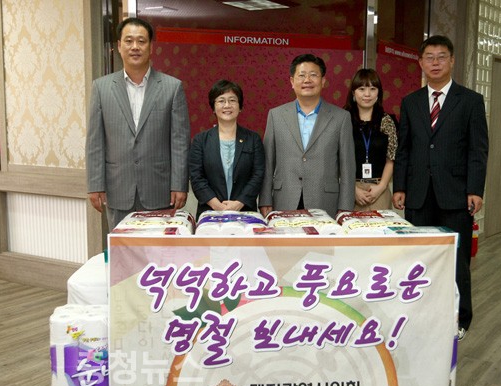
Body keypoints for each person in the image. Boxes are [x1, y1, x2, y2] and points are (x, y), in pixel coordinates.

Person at [392, 35, 489, 340]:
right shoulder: (411, 102)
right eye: (429, 57)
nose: (435, 63)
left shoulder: (470, 100)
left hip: (455, 195)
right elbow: (404, 149)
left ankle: (460, 318)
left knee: (457, 260)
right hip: (418, 194)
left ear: (452, 61)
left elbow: (478, 150)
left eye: (441, 56)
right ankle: (421, 316)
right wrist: (400, 186)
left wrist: (475, 190)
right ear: (420, 62)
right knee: (419, 258)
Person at [86, 17, 191, 230]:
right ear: (119, 46)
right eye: (129, 41)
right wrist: (95, 184)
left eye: (141, 41)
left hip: (159, 189)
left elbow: (180, 142)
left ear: (151, 47)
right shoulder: (101, 88)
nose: (135, 47)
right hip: (118, 188)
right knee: (121, 246)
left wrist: (179, 184)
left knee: (157, 247)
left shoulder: (172, 87)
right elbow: (95, 141)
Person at [259, 54, 355, 219]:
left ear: (323, 81)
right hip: (285, 198)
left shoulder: (341, 117)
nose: (307, 80)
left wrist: (345, 206)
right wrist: (265, 199)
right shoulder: (276, 115)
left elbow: (347, 167)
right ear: (292, 81)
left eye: (313, 75)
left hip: (325, 201)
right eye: (302, 75)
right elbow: (268, 162)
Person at [189, 80, 265, 220]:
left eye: (232, 100)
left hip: (245, 212)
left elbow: (258, 175)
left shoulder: (253, 139)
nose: (227, 105)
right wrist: (218, 206)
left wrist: (238, 203)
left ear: (240, 106)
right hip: (210, 213)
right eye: (221, 101)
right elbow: (196, 177)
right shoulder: (200, 140)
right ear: (213, 107)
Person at [344, 69, 398, 210]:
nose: (367, 94)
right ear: (353, 92)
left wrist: (381, 186)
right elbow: (336, 158)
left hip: (379, 189)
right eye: (361, 89)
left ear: (378, 92)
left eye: (372, 89)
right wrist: (352, 188)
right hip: (349, 189)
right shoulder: (343, 119)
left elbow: (391, 157)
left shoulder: (387, 121)